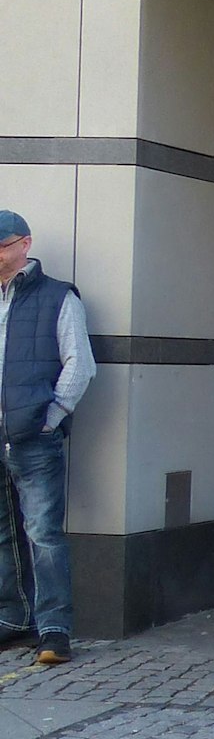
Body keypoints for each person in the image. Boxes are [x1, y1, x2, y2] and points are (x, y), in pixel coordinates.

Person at [0, 209, 96, 666]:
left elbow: (80, 364)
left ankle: (54, 630)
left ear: (25, 244)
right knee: (2, 535)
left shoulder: (58, 297)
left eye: (2, 245)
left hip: (33, 439)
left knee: (43, 535)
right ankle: (12, 618)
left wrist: (49, 418)